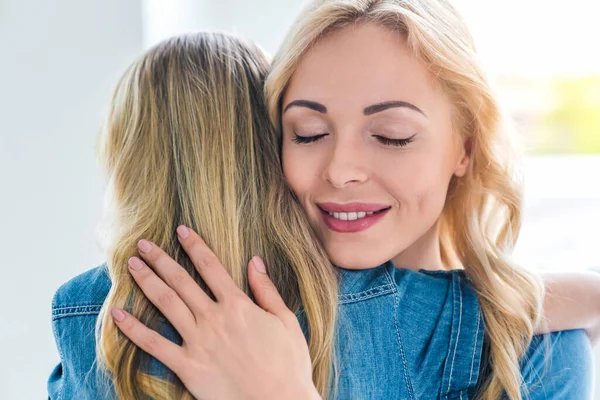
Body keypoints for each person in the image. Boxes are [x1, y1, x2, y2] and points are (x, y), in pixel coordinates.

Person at [48, 5, 596, 399]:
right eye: (307, 132)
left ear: (466, 148)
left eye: (393, 135)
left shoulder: (533, 357)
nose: (341, 170)